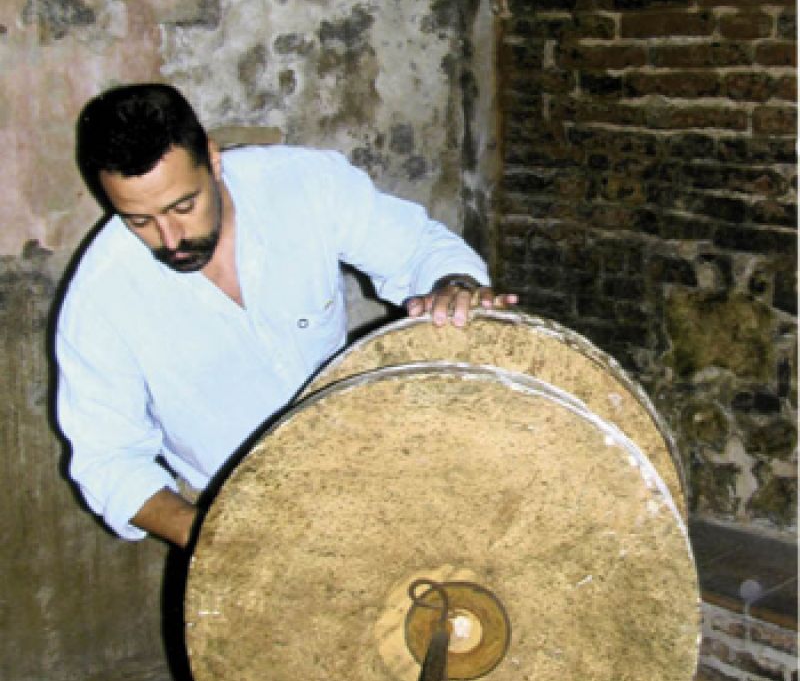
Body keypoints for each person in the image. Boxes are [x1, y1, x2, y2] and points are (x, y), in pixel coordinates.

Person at [56, 83, 518, 548]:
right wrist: (220, 542)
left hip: (370, 467)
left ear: (213, 161)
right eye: (139, 221)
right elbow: (108, 460)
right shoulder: (100, 299)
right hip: (234, 509)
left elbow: (417, 248)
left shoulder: (301, 186)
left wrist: (452, 285)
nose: (171, 238)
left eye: (184, 206)